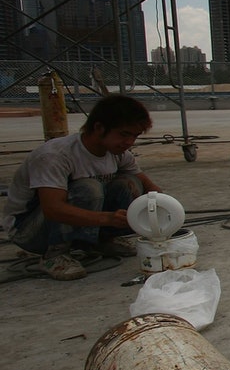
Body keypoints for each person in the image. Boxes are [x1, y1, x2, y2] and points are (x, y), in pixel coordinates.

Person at [2, 95, 162, 280]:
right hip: (28, 230)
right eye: (124, 134)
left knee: (130, 182)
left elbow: (148, 185)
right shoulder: (55, 156)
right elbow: (52, 209)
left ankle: (101, 241)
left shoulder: (118, 153)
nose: (129, 142)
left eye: (135, 136)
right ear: (99, 128)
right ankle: (54, 255)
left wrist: (162, 206)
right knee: (88, 188)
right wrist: (107, 218)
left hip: (76, 222)